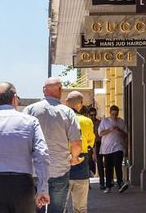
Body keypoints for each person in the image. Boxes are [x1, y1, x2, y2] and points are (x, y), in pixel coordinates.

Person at [0, 82, 50, 213]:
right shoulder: (31, 122)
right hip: (22, 185)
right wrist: (43, 189)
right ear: (14, 98)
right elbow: (42, 155)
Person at [25, 78, 83, 213]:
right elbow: (76, 143)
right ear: (60, 90)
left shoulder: (29, 110)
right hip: (59, 169)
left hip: (35, 170)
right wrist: (74, 158)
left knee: (34, 210)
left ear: (44, 91)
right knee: (56, 210)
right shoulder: (67, 112)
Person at [65, 92, 95, 213]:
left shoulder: (60, 120)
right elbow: (90, 142)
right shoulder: (87, 121)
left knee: (59, 208)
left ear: (66, 103)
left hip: (62, 166)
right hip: (81, 165)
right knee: (81, 208)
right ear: (80, 104)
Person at [98, 105, 129, 193]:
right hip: (107, 148)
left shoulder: (121, 122)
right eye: (113, 114)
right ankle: (108, 185)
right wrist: (110, 129)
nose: (114, 116)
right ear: (110, 113)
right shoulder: (105, 121)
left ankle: (120, 183)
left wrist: (119, 130)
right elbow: (100, 133)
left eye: (116, 114)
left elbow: (126, 135)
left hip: (118, 147)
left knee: (117, 164)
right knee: (108, 167)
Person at [87, 106, 101, 179]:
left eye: (94, 115)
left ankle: (98, 175)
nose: (93, 117)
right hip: (88, 144)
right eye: (91, 115)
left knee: (98, 160)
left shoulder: (99, 122)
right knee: (88, 160)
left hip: (98, 143)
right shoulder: (86, 123)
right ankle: (89, 176)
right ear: (89, 115)